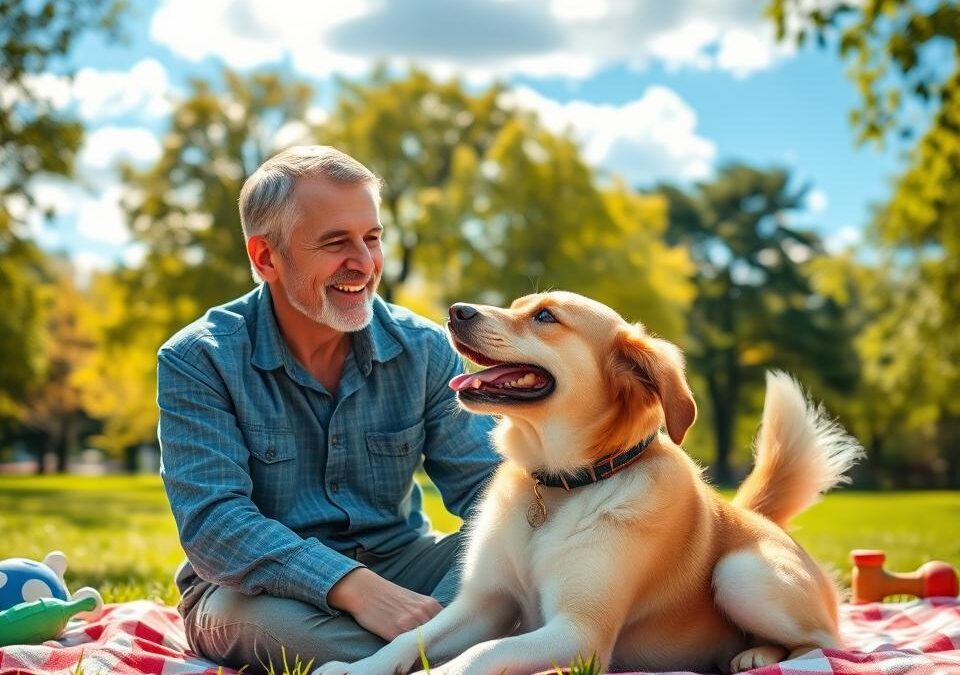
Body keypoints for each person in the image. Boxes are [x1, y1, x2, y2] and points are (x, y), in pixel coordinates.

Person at [157, 145, 500, 673]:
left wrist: (484, 582)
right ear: (265, 258)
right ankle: (454, 645)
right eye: (336, 242)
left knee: (509, 564)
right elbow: (215, 524)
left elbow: (493, 495)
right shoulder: (199, 359)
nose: (363, 263)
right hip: (255, 593)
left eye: (372, 238)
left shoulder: (426, 350)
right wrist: (351, 586)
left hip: (404, 567)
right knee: (286, 632)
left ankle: (424, 647)